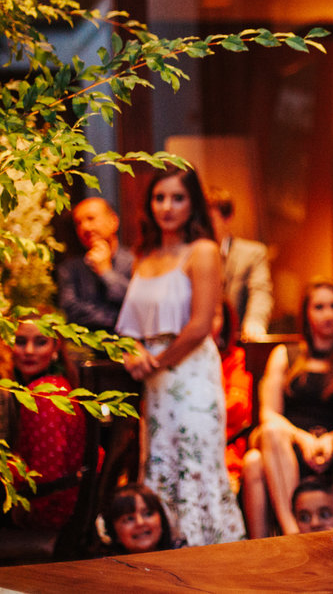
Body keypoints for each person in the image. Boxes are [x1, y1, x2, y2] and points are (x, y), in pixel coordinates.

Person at [115, 166, 246, 546]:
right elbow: (129, 325)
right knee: (159, 461)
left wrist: (154, 362)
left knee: (194, 462)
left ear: (193, 204)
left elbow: (200, 325)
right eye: (159, 197)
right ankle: (166, 557)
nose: (167, 207)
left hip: (189, 372)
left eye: (178, 197)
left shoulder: (202, 251)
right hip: (153, 378)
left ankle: (208, 558)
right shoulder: (144, 254)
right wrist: (133, 351)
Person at [241, 279, 333, 537]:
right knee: (271, 430)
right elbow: (269, 413)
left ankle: (262, 544)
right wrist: (301, 438)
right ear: (306, 312)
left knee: (253, 462)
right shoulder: (285, 353)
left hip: (326, 449)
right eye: (319, 307)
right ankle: (291, 529)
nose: (328, 314)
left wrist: (328, 440)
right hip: (285, 441)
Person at [4, 318, 86, 529]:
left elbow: (45, 476)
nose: (29, 351)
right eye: (20, 341)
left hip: (48, 510)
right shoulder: (56, 384)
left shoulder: (45, 394)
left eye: (40, 342)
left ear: (55, 347)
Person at [56, 197, 134, 332]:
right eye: (78, 223)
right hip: (85, 347)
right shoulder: (69, 269)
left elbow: (136, 304)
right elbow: (72, 311)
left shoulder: (134, 261)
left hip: (131, 346)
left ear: (113, 221)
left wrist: (106, 272)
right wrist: (119, 320)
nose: (84, 227)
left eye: (91, 219)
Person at [207, 187, 273, 340]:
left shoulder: (252, 253)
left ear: (227, 218)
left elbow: (260, 291)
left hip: (234, 343)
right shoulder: (187, 254)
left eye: (210, 220)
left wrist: (255, 323)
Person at [213, 300, 252, 495]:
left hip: (225, 450)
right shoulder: (177, 361)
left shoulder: (234, 358)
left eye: (215, 315)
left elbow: (238, 407)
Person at [99, 483, 184, 555]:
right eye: (129, 519)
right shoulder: (100, 570)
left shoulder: (183, 555)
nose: (140, 522)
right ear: (113, 530)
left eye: (148, 514)